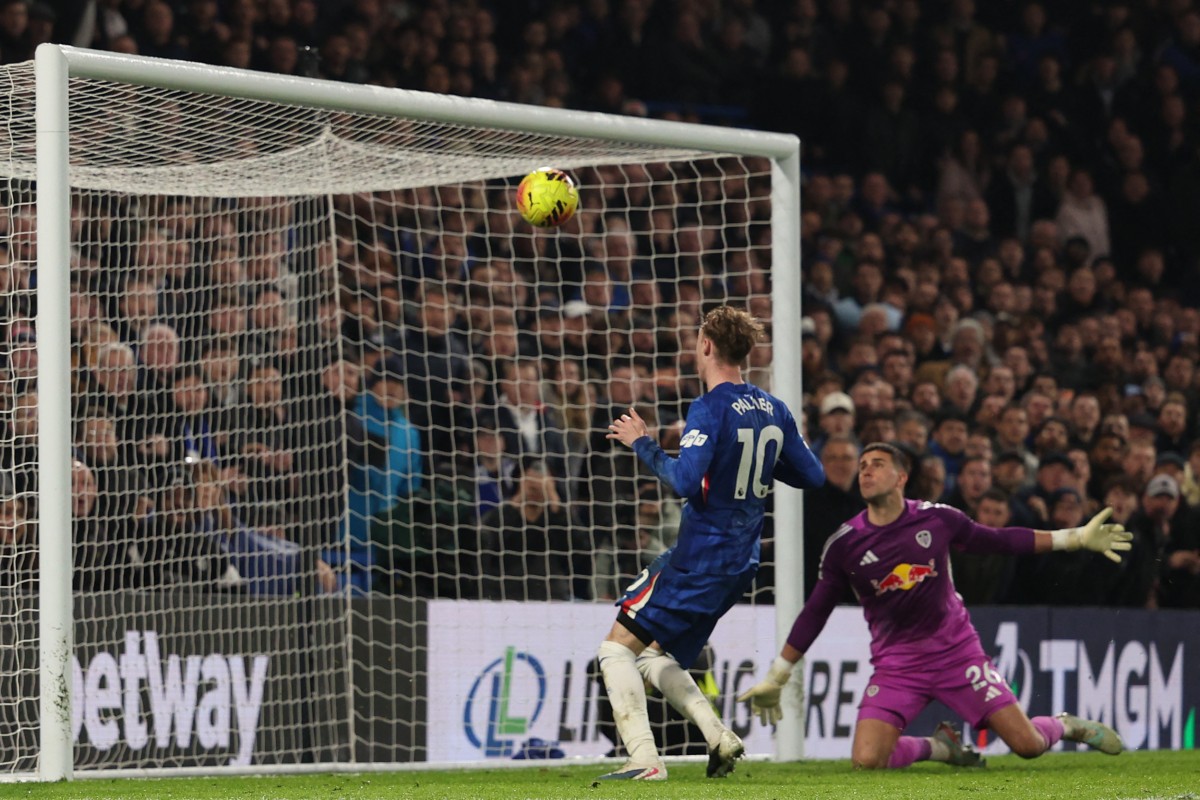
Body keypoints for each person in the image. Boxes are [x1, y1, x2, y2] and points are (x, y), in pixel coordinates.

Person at [738, 442, 1131, 770]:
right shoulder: (845, 544)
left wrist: (1074, 538)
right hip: (898, 665)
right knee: (867, 761)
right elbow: (816, 611)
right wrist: (778, 674)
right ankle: (940, 747)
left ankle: (1066, 725)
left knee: (1027, 745)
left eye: (877, 464)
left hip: (957, 653)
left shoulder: (938, 519)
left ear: (901, 477)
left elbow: (999, 540)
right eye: (862, 465)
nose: (866, 471)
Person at [597, 306, 825, 781]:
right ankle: (719, 737)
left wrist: (642, 443)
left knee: (615, 650)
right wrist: (760, 466)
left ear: (705, 345)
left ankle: (644, 760)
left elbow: (684, 481)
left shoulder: (708, 407)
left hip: (699, 558)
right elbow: (813, 475)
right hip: (741, 562)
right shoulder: (774, 409)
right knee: (653, 655)